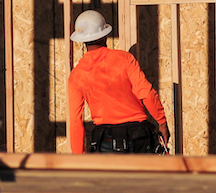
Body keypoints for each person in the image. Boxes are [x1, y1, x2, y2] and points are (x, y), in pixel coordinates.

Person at [67, 9, 170, 154]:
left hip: (106, 141)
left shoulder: (76, 76)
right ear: (105, 36)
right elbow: (146, 92)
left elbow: (75, 121)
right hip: (139, 137)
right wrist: (162, 122)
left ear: (82, 41)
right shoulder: (124, 59)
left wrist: (78, 156)